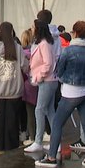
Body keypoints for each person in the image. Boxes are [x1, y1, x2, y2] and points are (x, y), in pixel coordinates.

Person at [36, 21, 85, 168]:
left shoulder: (69, 50)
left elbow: (59, 70)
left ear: (75, 33)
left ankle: (51, 157)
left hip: (71, 92)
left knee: (57, 123)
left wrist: (65, 80)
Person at [0, 22, 29, 151]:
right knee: (12, 119)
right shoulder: (16, 48)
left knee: (0, 118)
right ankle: (11, 144)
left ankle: (0, 143)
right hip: (14, 90)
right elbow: (25, 66)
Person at [25, 20, 57, 154]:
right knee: (49, 111)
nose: (32, 29)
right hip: (47, 81)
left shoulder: (44, 44)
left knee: (39, 110)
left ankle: (38, 141)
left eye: (33, 27)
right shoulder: (44, 43)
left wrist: (38, 76)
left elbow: (48, 64)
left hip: (46, 81)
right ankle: (56, 142)